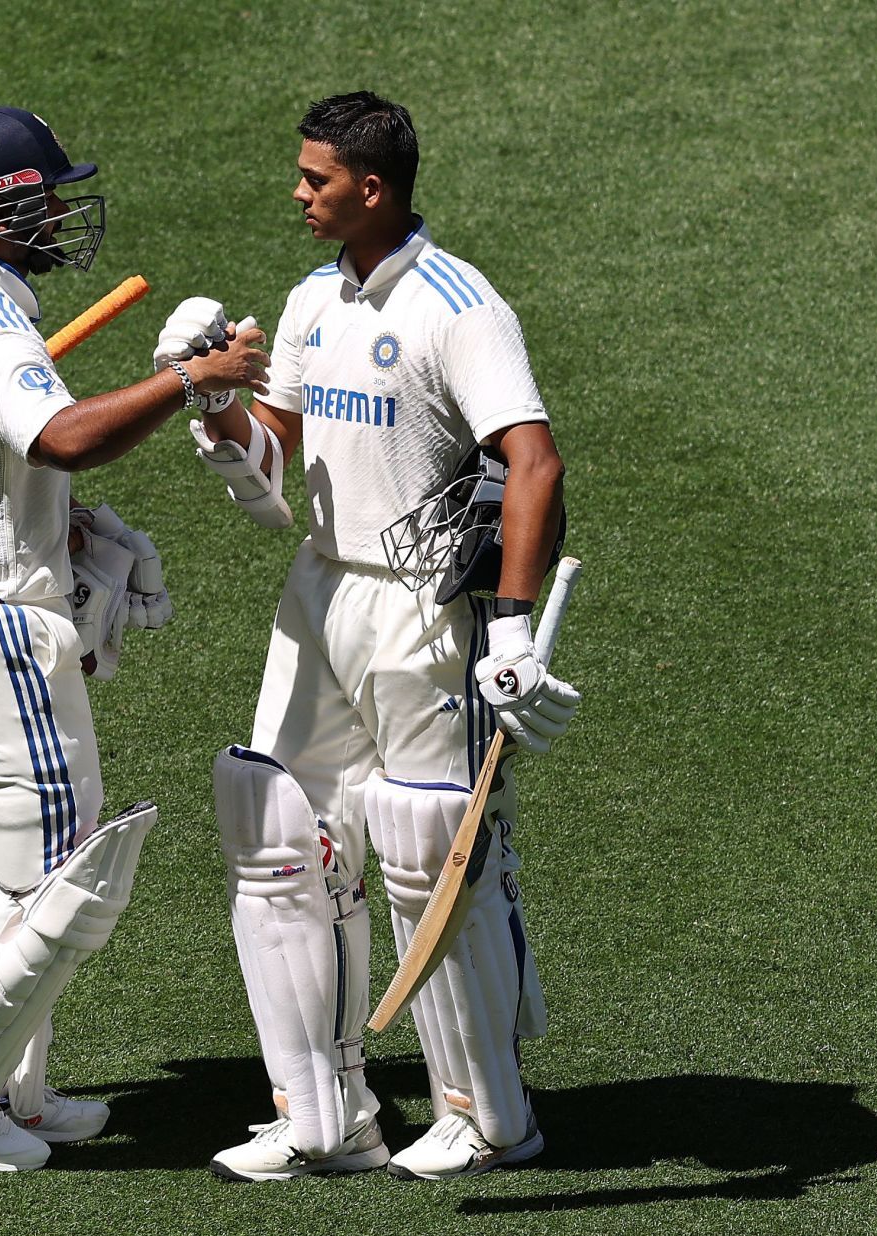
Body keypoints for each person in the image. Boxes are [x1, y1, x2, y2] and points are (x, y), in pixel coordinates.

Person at [160, 91, 580, 1180]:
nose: (298, 195)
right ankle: (323, 1114)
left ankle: (490, 1117)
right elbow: (281, 453)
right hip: (320, 589)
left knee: (428, 848)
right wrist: (215, 410)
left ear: (373, 188)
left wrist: (515, 626)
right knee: (273, 829)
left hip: (422, 602)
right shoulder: (309, 303)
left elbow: (533, 460)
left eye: (316, 180)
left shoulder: (459, 305)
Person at [0, 106, 269, 1172]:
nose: (59, 210)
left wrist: (51, 521)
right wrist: (198, 380)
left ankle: (16, 1094)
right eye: (43, 194)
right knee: (66, 872)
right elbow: (64, 434)